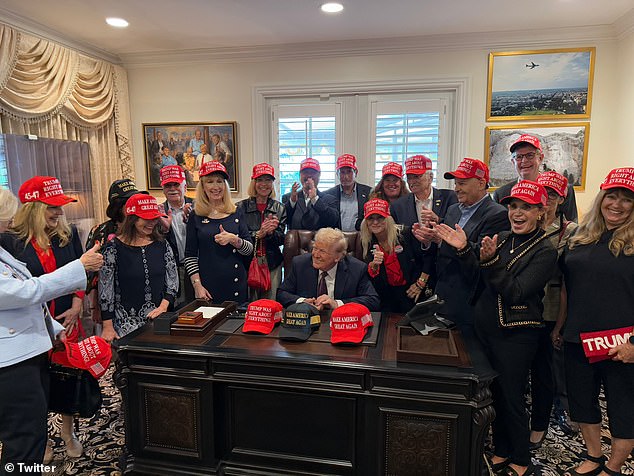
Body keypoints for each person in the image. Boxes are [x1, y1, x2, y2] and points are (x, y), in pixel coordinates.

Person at [437, 180, 556, 476]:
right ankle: (502, 449)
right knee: (495, 395)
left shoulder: (545, 250)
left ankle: (521, 458)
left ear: (541, 212)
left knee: (512, 397)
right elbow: (478, 272)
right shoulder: (502, 237)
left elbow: (515, 291)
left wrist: (489, 262)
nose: (517, 213)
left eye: (526, 207)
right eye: (514, 206)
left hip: (517, 334)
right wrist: (465, 249)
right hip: (485, 329)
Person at [0, 186, 103, 474]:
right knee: (24, 438)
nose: (8, 222)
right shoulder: (10, 241)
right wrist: (79, 267)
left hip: (37, 344)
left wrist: (53, 327)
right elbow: (25, 291)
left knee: (32, 429)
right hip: (12, 362)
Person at [561, 167, 634, 476]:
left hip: (622, 344)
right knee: (581, 403)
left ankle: (615, 467)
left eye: (626, 200)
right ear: (602, 197)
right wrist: (560, 328)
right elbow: (567, 286)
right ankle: (593, 455)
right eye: (611, 196)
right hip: (578, 336)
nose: (616, 205)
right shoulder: (580, 234)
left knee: (623, 409)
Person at [425, 158, 509, 330]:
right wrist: (430, 238)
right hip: (442, 294)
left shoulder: (497, 214)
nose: (456, 188)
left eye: (462, 183)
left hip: (470, 300)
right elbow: (444, 245)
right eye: (456, 183)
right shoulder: (453, 209)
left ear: (481, 183)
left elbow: (482, 255)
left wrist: (444, 242)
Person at [528, 171, 579, 451]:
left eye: (551, 195)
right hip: (520, 308)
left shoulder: (570, 231)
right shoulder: (523, 222)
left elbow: (569, 283)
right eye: (541, 193)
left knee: (544, 373)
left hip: (549, 310)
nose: (545, 200)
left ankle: (539, 426)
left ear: (561, 199)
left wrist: (560, 326)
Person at [99, 194, 178, 342]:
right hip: (125, 326)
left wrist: (163, 307)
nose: (151, 223)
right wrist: (107, 326)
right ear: (132, 219)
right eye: (146, 219)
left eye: (154, 218)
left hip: (160, 322)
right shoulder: (112, 249)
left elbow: (172, 281)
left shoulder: (162, 244)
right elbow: (105, 290)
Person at [184, 161, 254, 304]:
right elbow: (190, 256)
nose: (216, 187)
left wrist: (235, 240)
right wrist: (197, 285)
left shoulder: (236, 211)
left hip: (236, 286)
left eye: (220, 182)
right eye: (210, 182)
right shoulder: (196, 215)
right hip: (208, 288)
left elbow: (249, 250)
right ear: (203, 186)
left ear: (225, 185)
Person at [85, 179, 146, 335]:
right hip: (107, 301)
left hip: (139, 298)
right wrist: (94, 306)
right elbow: (91, 274)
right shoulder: (100, 231)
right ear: (118, 206)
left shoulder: (144, 228)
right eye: (129, 202)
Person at [390, 155, 457, 290]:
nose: (412, 181)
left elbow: (458, 229)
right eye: (409, 177)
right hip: (414, 271)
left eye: (417, 176)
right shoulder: (398, 206)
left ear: (430, 177)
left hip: (446, 268)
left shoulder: (450, 198)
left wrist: (437, 220)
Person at [277, 227, 380, 311]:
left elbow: (372, 300)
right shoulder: (300, 264)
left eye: (322, 251)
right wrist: (302, 301)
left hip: (341, 326)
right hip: (306, 325)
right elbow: (282, 294)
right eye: (315, 248)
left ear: (338, 257)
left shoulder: (357, 269)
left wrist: (337, 304)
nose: (315, 255)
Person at [360, 199, 427, 312]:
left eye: (380, 217)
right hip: (387, 297)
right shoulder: (367, 241)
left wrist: (420, 283)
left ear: (388, 219)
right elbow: (372, 279)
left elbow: (427, 258)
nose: (375, 222)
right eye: (371, 218)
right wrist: (374, 265)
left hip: (413, 290)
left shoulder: (405, 234)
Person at [492, 134, 578, 222]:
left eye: (530, 155)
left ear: (540, 158)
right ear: (513, 161)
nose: (524, 161)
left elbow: (572, 227)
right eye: (519, 157)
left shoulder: (563, 190)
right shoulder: (501, 194)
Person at [236, 163, 287, 300]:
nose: (264, 184)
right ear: (254, 182)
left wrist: (270, 233)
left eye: (268, 180)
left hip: (272, 263)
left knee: (271, 303)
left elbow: (282, 239)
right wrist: (259, 233)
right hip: (247, 262)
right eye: (260, 180)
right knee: (249, 303)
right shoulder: (240, 207)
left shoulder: (279, 208)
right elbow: (238, 236)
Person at [158, 165, 194, 307]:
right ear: (163, 189)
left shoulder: (199, 206)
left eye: (176, 184)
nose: (172, 189)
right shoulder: (158, 212)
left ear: (185, 186)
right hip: (173, 271)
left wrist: (194, 221)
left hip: (198, 269)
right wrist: (164, 230)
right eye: (168, 185)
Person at [282, 157, 339, 231]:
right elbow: (284, 220)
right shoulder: (289, 198)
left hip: (320, 241)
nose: (309, 175)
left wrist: (315, 200)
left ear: (319, 175)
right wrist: (292, 202)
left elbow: (332, 221)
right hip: (296, 241)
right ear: (300, 175)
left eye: (313, 172)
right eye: (305, 172)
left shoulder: (330, 199)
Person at [324, 154, 371, 231]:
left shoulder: (368, 193)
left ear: (356, 172)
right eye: (342, 172)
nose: (345, 176)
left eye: (349, 172)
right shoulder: (328, 194)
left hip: (361, 239)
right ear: (337, 174)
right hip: (336, 239)